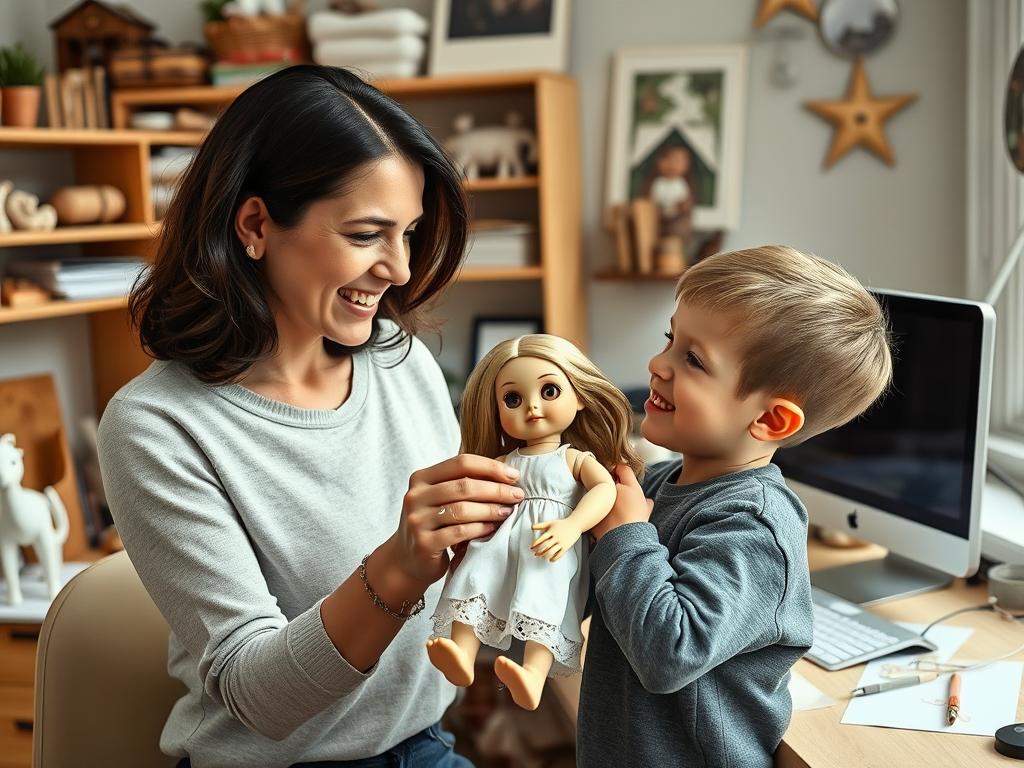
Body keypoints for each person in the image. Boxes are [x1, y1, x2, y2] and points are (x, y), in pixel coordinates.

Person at [97, 65, 520, 768]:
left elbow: (466, 576)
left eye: (409, 234)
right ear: (257, 225)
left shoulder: (398, 361)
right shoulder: (157, 427)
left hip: (421, 747)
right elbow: (256, 696)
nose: (401, 269)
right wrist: (398, 566)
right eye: (366, 234)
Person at [576, 245, 893, 767]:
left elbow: (668, 653)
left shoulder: (755, 525)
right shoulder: (660, 480)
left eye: (693, 360)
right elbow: (604, 597)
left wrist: (622, 535)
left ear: (770, 421)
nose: (658, 364)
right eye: (670, 339)